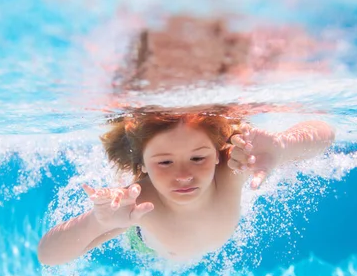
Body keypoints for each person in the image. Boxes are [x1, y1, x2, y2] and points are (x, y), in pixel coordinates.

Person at [37, 107, 334, 265]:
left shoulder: (232, 168)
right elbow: (48, 256)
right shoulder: (140, 203)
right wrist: (95, 222)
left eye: (197, 158)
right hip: (151, 246)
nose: (183, 176)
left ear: (218, 153)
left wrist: (282, 147)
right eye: (165, 163)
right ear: (142, 165)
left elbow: (327, 133)